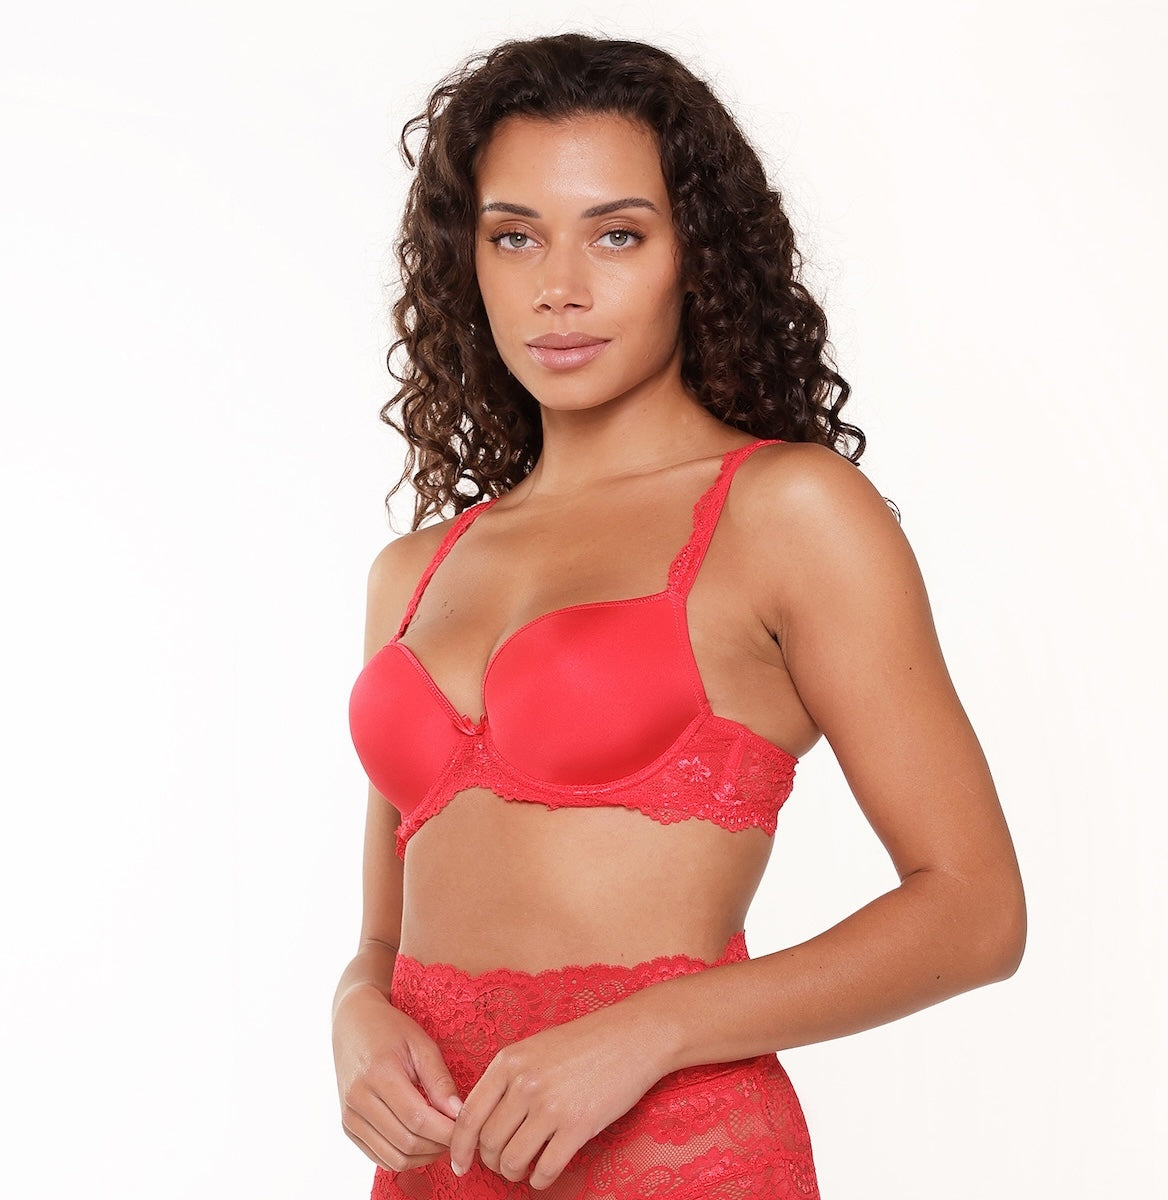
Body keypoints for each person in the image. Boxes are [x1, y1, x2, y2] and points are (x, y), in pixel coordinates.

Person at [332, 32, 1026, 1200]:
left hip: (679, 1159)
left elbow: (974, 909)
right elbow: (386, 939)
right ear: (468, 262)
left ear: (695, 255)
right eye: (514, 236)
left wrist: (651, 1030)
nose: (558, 286)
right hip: (441, 1170)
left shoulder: (785, 512)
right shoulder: (412, 571)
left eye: (617, 234)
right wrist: (356, 1009)